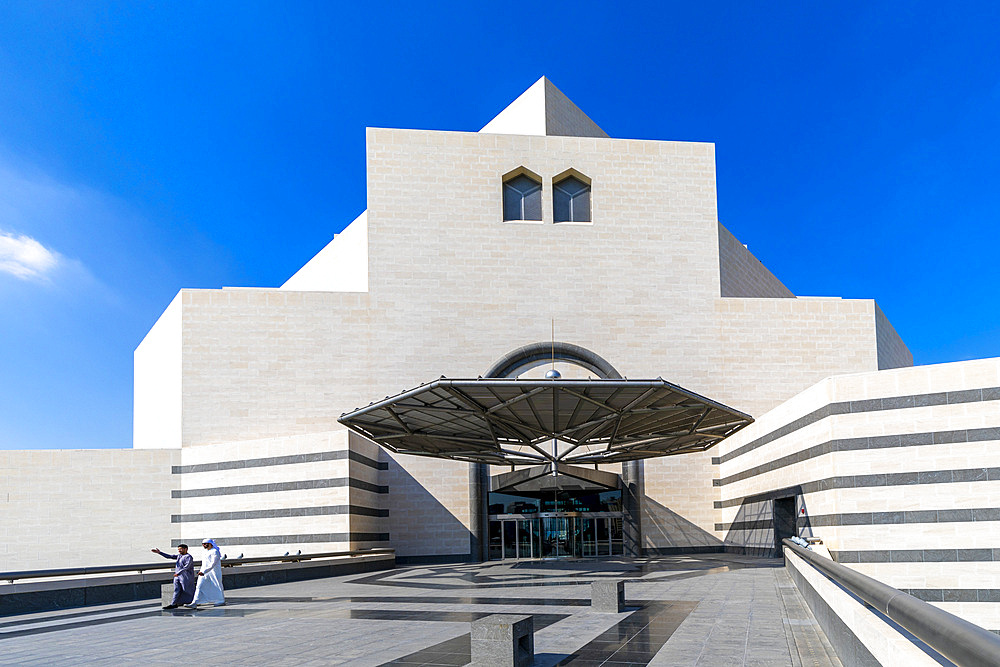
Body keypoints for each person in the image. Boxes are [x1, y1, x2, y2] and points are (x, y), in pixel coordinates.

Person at [151, 544, 195, 609]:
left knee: (187, 589)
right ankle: (173, 603)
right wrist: (159, 552)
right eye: (178, 549)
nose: (179, 551)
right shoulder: (179, 556)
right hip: (177, 576)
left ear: (186, 549)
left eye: (181, 549)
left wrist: (179, 572)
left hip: (185, 576)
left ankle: (192, 602)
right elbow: (169, 556)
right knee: (176, 589)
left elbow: (187, 567)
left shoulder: (188, 557)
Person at [186, 538, 225, 608]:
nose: (204, 545)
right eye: (203, 544)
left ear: (210, 544)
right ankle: (195, 602)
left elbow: (213, 563)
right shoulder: (204, 552)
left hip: (213, 573)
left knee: (216, 585)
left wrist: (204, 571)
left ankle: (220, 600)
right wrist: (202, 571)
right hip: (203, 572)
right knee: (199, 586)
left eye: (205, 544)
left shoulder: (215, 551)